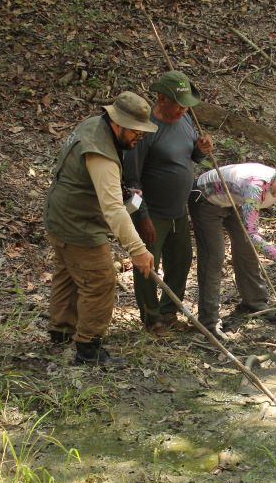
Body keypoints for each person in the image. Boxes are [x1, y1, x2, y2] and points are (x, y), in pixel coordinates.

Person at [43, 91, 156, 366]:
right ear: (117, 123)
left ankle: (61, 331)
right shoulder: (101, 151)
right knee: (101, 280)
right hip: (77, 223)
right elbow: (113, 209)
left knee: (67, 274)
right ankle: (88, 348)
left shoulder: (94, 124)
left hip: (59, 213)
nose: (138, 137)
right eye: (135, 132)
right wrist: (138, 250)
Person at [123, 71, 213, 334]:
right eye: (177, 103)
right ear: (161, 99)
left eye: (186, 104)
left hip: (178, 211)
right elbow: (131, 179)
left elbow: (192, 155)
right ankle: (151, 319)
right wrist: (143, 216)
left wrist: (202, 148)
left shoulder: (185, 119)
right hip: (153, 213)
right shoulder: (146, 128)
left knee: (181, 261)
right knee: (148, 266)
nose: (183, 109)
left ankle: (168, 310)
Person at [189, 155, 276, 340]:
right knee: (214, 257)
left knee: (246, 251)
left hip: (236, 201)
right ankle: (209, 322)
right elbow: (252, 234)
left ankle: (255, 303)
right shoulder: (256, 187)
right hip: (206, 198)